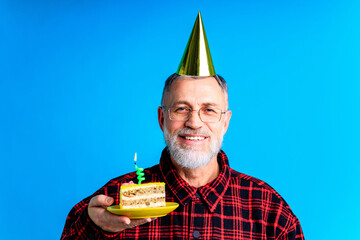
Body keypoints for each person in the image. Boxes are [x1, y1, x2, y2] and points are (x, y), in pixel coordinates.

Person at [61, 12, 305, 240]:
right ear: (162, 119)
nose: (194, 122)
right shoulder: (114, 202)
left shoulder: (268, 209)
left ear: (226, 122)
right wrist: (96, 228)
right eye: (181, 109)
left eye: (209, 110)